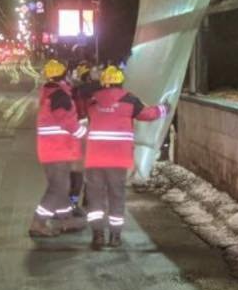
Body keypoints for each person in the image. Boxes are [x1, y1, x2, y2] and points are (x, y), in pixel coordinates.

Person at [84, 65, 168, 249]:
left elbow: (91, 116)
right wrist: (163, 109)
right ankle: (115, 237)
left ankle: (97, 235)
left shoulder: (92, 101)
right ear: (121, 81)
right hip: (118, 159)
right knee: (117, 196)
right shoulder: (129, 100)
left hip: (95, 158)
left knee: (95, 197)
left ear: (104, 82)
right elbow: (147, 114)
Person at [30, 59, 88, 238]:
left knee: (61, 186)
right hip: (56, 150)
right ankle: (38, 223)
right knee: (58, 188)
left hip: (52, 149)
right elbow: (66, 121)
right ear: (64, 75)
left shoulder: (51, 93)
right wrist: (84, 133)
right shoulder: (59, 96)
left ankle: (67, 220)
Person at [67, 61, 98, 215]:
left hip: (77, 137)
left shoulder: (72, 92)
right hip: (90, 135)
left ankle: (72, 203)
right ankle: (88, 200)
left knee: (76, 174)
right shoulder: (96, 93)